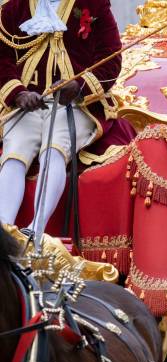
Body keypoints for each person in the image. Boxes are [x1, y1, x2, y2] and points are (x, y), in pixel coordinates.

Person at [0, 0, 122, 236]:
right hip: (28, 104)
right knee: (15, 152)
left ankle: (35, 230)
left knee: (54, 147)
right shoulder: (13, 8)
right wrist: (18, 93)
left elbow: (111, 59)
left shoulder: (94, 5)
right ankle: (4, 231)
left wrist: (79, 86)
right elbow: (2, 59)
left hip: (76, 105)